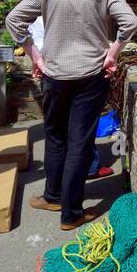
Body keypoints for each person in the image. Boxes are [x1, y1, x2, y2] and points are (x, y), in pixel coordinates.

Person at [6, 0, 137, 230]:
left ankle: (53, 196)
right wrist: (112, 53)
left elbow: (14, 19)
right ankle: (71, 213)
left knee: (55, 136)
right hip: (91, 76)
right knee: (80, 141)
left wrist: (35, 56)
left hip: (54, 75)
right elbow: (130, 23)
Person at [31, 16, 111, 179]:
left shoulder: (42, 20)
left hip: (55, 76)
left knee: (61, 134)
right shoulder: (52, 19)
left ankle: (61, 186)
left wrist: (39, 61)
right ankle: (87, 169)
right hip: (72, 75)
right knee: (79, 129)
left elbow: (37, 46)